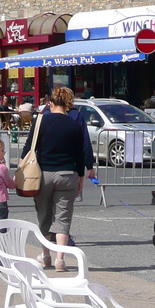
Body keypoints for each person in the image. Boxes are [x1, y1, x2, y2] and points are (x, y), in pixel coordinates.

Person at [22, 87, 95, 272]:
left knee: (44, 215)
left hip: (44, 173)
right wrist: (81, 175)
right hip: (67, 174)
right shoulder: (75, 124)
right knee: (63, 218)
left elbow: (29, 147)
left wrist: (21, 170)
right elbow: (80, 153)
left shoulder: (41, 121)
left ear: (51, 103)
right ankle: (60, 260)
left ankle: (46, 256)